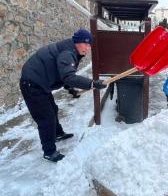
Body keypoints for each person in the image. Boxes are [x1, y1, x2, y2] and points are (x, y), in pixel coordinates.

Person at [20, 29, 106, 162]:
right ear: (78, 42)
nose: (88, 49)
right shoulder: (68, 53)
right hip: (33, 84)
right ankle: (49, 152)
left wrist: (71, 90)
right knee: (46, 118)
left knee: (52, 109)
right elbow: (68, 77)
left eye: (89, 46)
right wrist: (92, 84)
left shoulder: (70, 49)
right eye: (87, 45)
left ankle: (57, 134)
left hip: (40, 82)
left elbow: (63, 74)